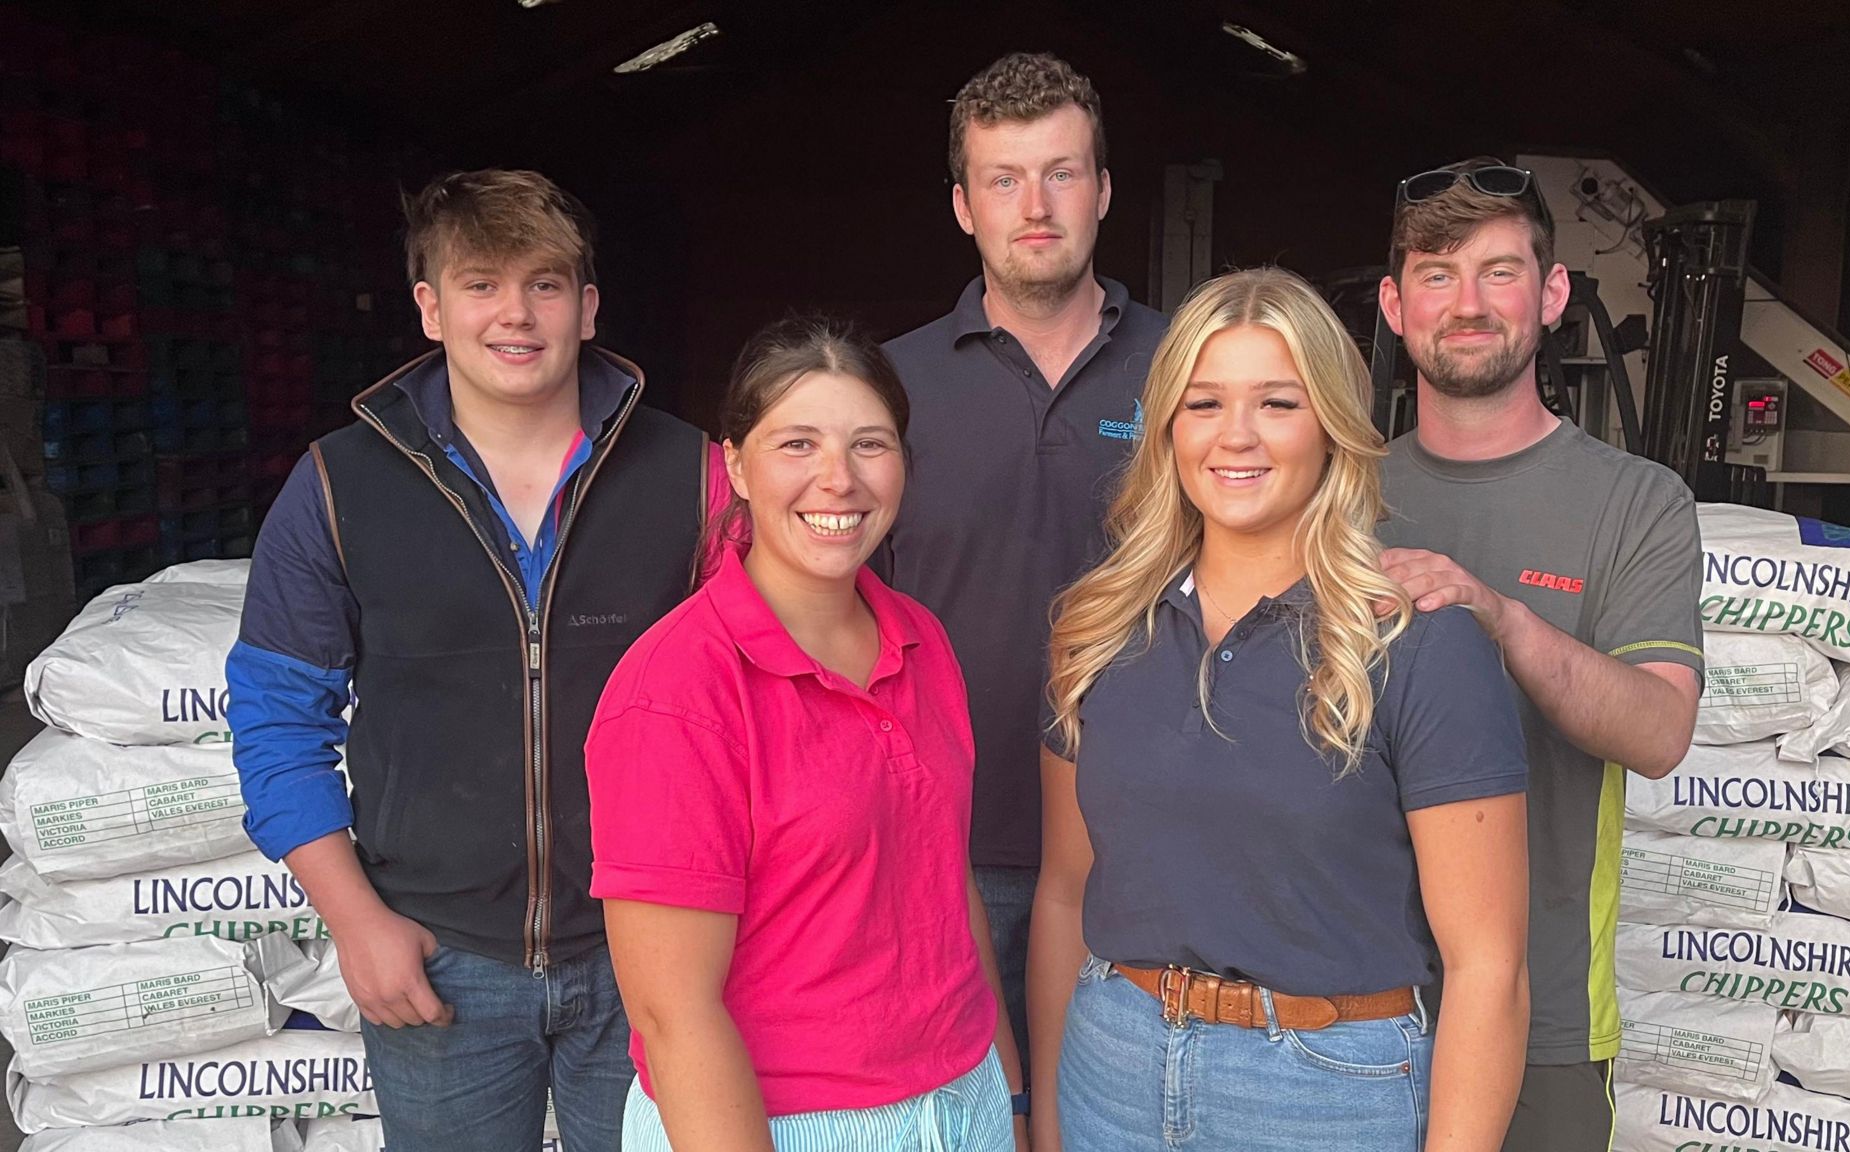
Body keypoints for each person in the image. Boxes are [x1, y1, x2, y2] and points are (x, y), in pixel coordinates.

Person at [226, 169, 714, 1152]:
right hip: (440, 958)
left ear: (586, 306)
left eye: (543, 283)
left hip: (655, 950)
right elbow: (278, 718)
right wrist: (356, 920)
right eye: (481, 282)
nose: (515, 313)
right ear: (430, 306)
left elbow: (764, 699)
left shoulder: (694, 476)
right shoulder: (336, 485)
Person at [1029, 268, 1531, 1152]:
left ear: (1332, 427)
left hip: (1324, 1093)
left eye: (1277, 403)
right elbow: (1066, 896)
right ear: (1168, 431)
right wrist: (1049, 1123)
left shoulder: (1420, 648)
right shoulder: (1098, 632)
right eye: (1204, 404)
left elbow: (1489, 968)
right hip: (1110, 1063)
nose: (1236, 437)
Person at [584, 318, 1023, 1152]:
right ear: (736, 466)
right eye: (797, 444)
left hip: (962, 1102)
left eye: (869, 444)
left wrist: (1008, 1086)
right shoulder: (679, 688)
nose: (839, 480)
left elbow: (944, 882)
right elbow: (672, 1015)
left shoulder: (921, 640)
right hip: (782, 1123)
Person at [1375, 157, 1705, 1152]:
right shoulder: (1332, 492)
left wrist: (1498, 618)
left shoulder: (1635, 502)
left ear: (1552, 294)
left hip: (1542, 1012)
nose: (1465, 303)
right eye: (1435, 274)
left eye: (1498, 271)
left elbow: (1656, 731)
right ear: (1394, 305)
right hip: (1344, 1003)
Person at [879, 51, 1170, 1078]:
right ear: (963, 205)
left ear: (1102, 190)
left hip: (1154, 842)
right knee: (965, 1120)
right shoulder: (889, 386)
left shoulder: (1190, 372)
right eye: (1004, 179)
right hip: (938, 849)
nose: (1034, 205)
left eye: (1061, 173)